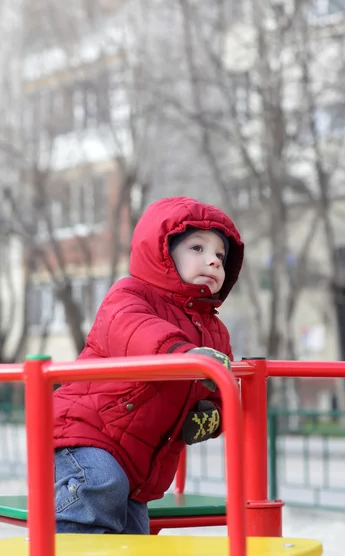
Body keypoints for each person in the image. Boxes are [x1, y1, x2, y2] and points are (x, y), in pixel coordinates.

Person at [53, 196, 244, 534]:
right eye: (197, 248)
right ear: (163, 253)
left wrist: (214, 416)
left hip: (137, 463)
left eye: (220, 255)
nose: (213, 261)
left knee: (134, 530)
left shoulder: (215, 332)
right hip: (83, 434)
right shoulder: (130, 296)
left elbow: (219, 384)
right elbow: (134, 331)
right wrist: (182, 353)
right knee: (100, 485)